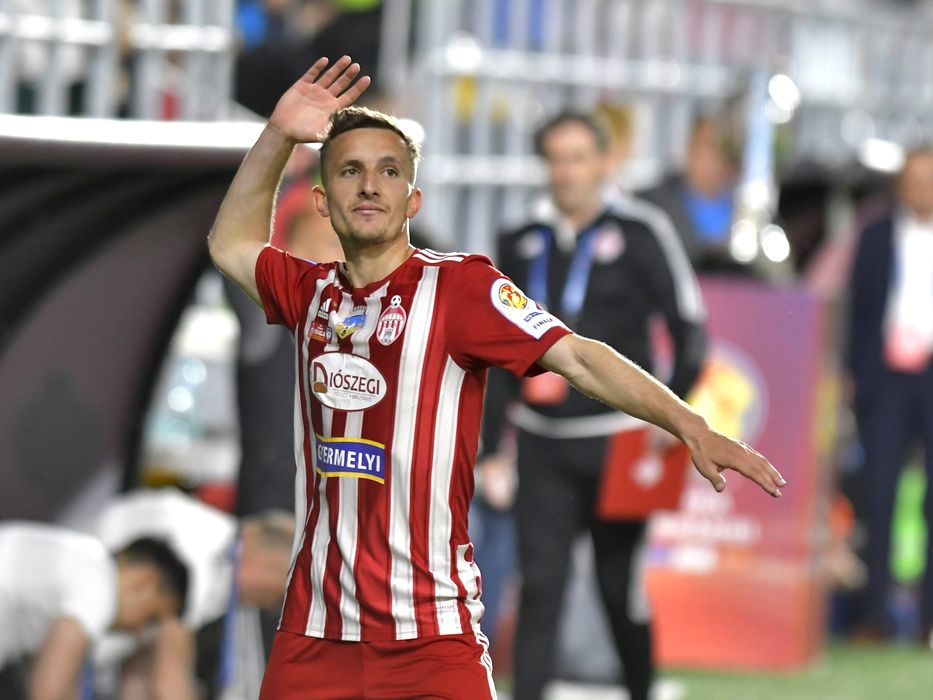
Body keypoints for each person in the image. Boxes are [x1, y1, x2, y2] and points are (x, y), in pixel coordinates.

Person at [206, 55, 786, 699]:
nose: (369, 185)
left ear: (413, 199)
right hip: (314, 634)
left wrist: (689, 423)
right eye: (350, 170)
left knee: (612, 585)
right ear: (321, 200)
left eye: (389, 171)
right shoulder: (309, 293)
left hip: (430, 637)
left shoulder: (462, 288)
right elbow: (230, 244)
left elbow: (579, 356)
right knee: (544, 586)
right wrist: (278, 136)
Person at [478, 111, 706, 700]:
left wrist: (671, 415)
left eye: (578, 158)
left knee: (617, 589)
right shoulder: (519, 238)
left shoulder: (643, 230)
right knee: (540, 587)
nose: (567, 172)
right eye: (556, 159)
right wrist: (490, 448)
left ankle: (640, 691)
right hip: (541, 440)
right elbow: (499, 352)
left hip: (620, 439)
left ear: (605, 161)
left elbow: (690, 329)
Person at [85, 488, 295, 699]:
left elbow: (141, 669)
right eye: (279, 599)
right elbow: (168, 684)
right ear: (271, 564)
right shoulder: (202, 550)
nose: (271, 607)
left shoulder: (212, 547)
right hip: (71, 618)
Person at [847, 146, 933, 644]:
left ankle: (928, 620)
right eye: (912, 178)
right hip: (888, 381)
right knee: (878, 496)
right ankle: (874, 615)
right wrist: (856, 375)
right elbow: (857, 309)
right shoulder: (875, 233)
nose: (919, 188)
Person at [0, 522, 187, 700]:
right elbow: (48, 690)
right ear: (144, 582)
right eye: (150, 618)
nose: (138, 632)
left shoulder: (88, 563)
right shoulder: (100, 587)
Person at [639, 117, 741, 272]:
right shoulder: (649, 206)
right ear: (689, 149)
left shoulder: (746, 212)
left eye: (723, 148)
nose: (714, 157)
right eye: (707, 146)